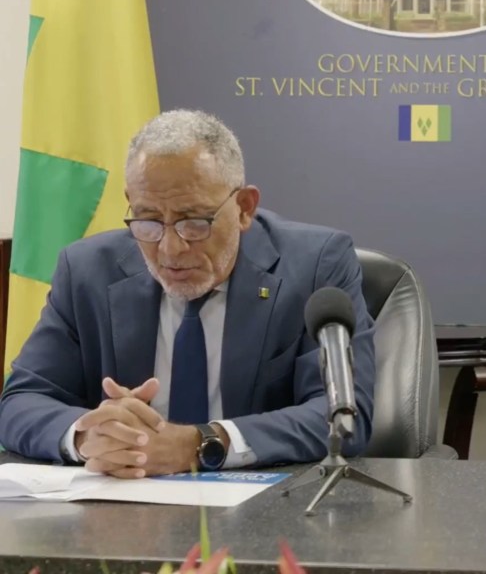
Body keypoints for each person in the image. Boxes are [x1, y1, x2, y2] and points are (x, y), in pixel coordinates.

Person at [0, 109, 376, 478]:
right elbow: (20, 401)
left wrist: (200, 443)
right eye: (149, 221)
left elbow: (343, 415)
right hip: (124, 505)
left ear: (244, 208)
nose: (170, 249)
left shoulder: (315, 265)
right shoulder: (86, 271)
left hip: (265, 507)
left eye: (194, 222)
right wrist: (90, 436)